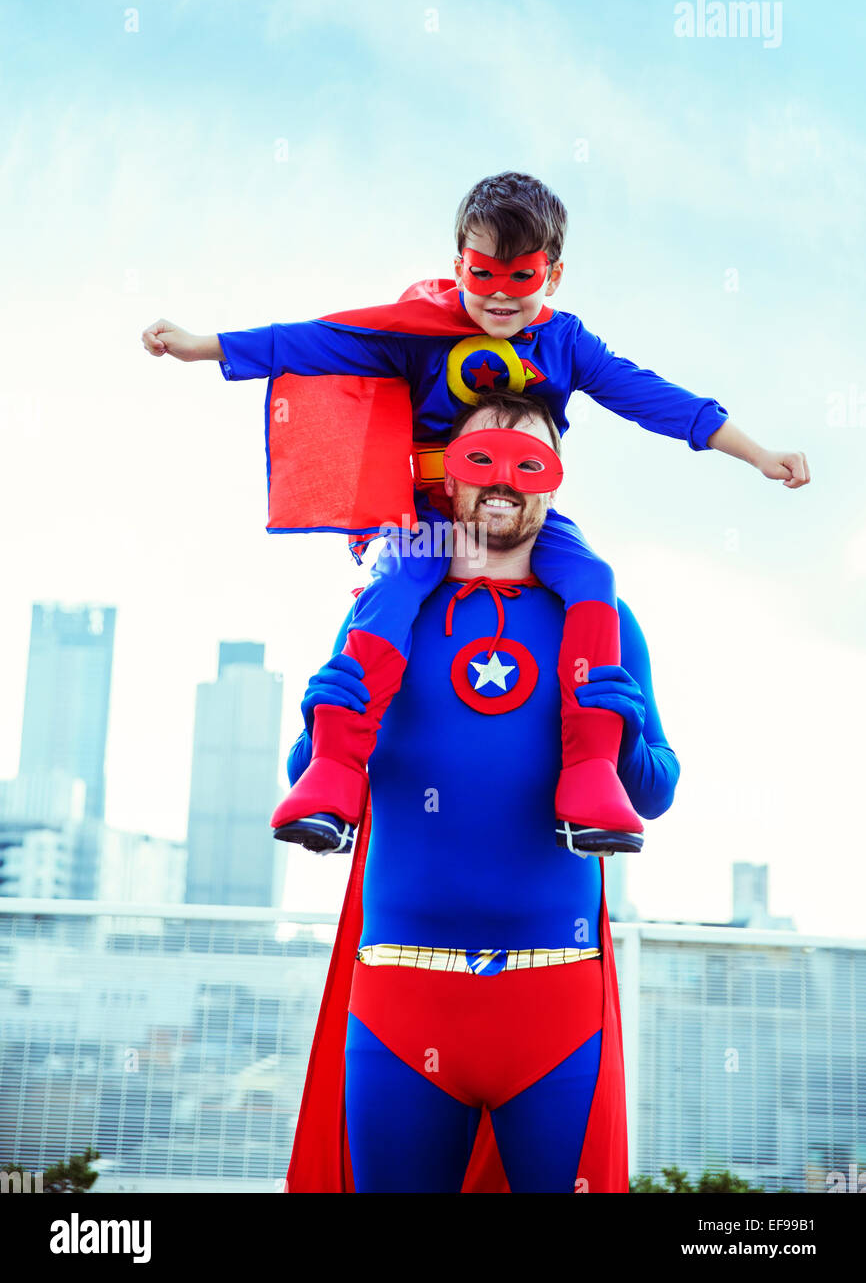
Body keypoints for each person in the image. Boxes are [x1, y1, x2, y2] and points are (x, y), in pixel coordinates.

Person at [141, 171, 809, 856]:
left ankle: (591, 773)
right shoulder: (415, 335)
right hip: (431, 519)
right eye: (482, 274)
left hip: (526, 516)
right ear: (458, 264)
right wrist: (204, 345)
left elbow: (650, 396)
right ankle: (334, 770)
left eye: (521, 277)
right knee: (393, 589)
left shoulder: (565, 343)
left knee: (594, 580)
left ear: (553, 275)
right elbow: (314, 340)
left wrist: (757, 453)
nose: (498, 296)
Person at [283, 388, 680, 1194]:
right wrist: (319, 713)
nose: (502, 479)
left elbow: (654, 791)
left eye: (528, 459)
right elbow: (314, 783)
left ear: (553, 481)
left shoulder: (603, 618)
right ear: (448, 473)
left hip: (556, 999)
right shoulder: (383, 613)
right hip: (400, 997)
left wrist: (627, 729)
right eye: (482, 454)